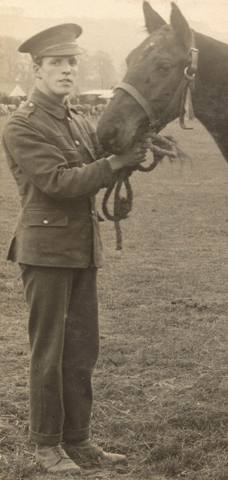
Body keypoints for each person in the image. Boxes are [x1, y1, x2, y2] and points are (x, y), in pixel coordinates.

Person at [2, 24, 147, 474]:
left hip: (83, 249)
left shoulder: (78, 119)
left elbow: (99, 164)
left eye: (71, 62)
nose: (66, 70)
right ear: (37, 69)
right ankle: (47, 446)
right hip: (44, 252)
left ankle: (79, 440)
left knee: (82, 349)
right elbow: (59, 182)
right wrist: (112, 164)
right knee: (50, 352)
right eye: (56, 63)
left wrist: (132, 152)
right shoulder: (21, 125)